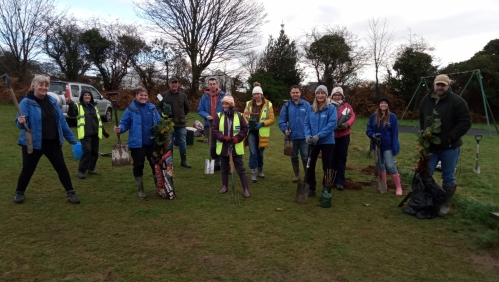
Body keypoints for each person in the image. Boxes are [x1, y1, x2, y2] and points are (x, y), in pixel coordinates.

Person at [13, 75, 80, 204]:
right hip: (33, 143)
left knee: (61, 168)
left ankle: (71, 192)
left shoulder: (52, 101)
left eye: (46, 85)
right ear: (34, 86)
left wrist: (72, 139)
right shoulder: (26, 102)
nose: (44, 87)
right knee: (28, 169)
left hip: (52, 142)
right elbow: (20, 123)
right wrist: (21, 121)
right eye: (41, 85)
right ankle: (19, 192)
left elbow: (61, 122)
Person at [419, 74, 471, 215]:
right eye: (438, 84)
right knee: (425, 173)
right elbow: (422, 119)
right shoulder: (426, 100)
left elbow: (466, 122)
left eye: (443, 85)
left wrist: (450, 137)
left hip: (450, 147)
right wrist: (424, 136)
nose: (440, 87)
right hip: (431, 147)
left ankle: (444, 204)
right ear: (434, 85)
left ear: (448, 86)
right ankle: (427, 200)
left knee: (448, 176)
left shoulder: (457, 102)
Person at [114, 87, 162, 198]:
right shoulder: (131, 109)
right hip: (137, 144)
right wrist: (120, 128)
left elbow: (159, 121)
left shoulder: (152, 108)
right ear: (136, 96)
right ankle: (140, 189)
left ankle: (159, 187)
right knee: (138, 165)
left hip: (152, 143)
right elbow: (124, 123)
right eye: (141, 95)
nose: (143, 97)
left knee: (155, 165)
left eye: (145, 95)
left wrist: (166, 126)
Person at [212, 94, 250, 197]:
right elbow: (214, 130)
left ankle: (246, 189)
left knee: (240, 169)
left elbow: (245, 129)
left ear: (232, 104)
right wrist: (223, 138)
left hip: (235, 147)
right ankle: (225, 186)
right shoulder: (219, 116)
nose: (224, 106)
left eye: (227, 104)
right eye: (223, 103)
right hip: (224, 147)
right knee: (224, 168)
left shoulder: (239, 116)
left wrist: (237, 138)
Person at [68, 90, 109, 179]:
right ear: (82, 97)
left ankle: (91, 169)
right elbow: (71, 114)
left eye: (89, 95)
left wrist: (103, 131)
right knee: (87, 151)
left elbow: (99, 121)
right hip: (85, 134)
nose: (87, 96)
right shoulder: (78, 107)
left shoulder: (94, 107)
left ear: (91, 97)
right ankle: (81, 171)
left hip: (95, 133)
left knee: (94, 152)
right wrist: (70, 104)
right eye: (85, 95)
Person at [304, 85, 338, 197]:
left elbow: (332, 124)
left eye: (322, 93)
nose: (320, 95)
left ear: (326, 95)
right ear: (315, 95)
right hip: (312, 141)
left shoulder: (331, 108)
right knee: (309, 165)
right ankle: (310, 187)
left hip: (327, 141)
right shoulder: (310, 108)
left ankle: (326, 188)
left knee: (327, 166)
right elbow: (306, 123)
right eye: (318, 93)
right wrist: (308, 135)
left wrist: (318, 136)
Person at [366, 97, 402, 196]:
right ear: (379, 105)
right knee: (380, 166)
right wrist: (373, 135)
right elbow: (368, 129)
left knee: (390, 165)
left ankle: (398, 187)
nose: (383, 105)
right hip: (376, 145)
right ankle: (383, 185)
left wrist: (394, 146)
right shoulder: (373, 116)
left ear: (388, 105)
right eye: (381, 103)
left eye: (385, 103)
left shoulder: (392, 117)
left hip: (388, 146)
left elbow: (395, 133)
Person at [243, 82, 274, 182]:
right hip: (251, 131)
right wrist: (247, 123)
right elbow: (245, 116)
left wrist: (262, 123)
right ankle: (253, 173)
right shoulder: (248, 104)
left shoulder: (268, 104)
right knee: (253, 153)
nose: (256, 96)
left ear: (261, 94)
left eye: (258, 94)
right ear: (253, 95)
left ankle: (260, 170)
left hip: (262, 132)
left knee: (260, 154)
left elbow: (271, 119)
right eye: (254, 94)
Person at [278, 85, 310, 183]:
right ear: (290, 94)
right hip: (291, 138)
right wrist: (285, 129)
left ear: (300, 93)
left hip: (304, 137)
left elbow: (311, 120)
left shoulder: (307, 105)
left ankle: (307, 176)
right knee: (294, 157)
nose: (295, 94)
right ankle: (296, 175)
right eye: (293, 92)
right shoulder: (286, 106)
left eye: (297, 92)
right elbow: (281, 121)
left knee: (305, 157)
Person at [157, 77, 191, 168]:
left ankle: (183, 161)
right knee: (169, 143)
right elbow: (158, 107)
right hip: (168, 124)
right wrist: (162, 114)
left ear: (178, 84)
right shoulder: (163, 95)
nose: (174, 84)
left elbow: (187, 108)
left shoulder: (183, 95)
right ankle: (169, 162)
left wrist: (182, 116)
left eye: (176, 83)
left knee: (183, 143)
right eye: (172, 83)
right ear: (169, 84)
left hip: (181, 124)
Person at [329, 85, 356, 190]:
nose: (337, 97)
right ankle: (330, 180)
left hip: (344, 135)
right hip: (331, 136)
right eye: (335, 95)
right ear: (332, 96)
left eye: (339, 94)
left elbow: (353, 116)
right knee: (331, 158)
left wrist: (347, 124)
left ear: (342, 96)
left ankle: (340, 181)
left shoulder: (347, 106)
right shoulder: (328, 105)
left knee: (341, 158)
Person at [197, 77, 226, 170]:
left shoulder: (223, 96)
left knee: (222, 144)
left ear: (217, 85)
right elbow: (200, 109)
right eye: (210, 84)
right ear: (208, 85)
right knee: (212, 145)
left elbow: (228, 107)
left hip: (221, 124)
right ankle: (216, 163)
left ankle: (223, 163)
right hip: (209, 124)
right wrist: (206, 116)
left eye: (214, 84)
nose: (212, 86)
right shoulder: (204, 97)